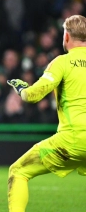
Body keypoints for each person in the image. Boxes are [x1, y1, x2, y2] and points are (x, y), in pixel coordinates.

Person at [6, 15, 86, 212]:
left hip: (73, 140)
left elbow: (32, 96)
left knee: (18, 171)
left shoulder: (62, 62)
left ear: (66, 36)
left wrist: (21, 89)